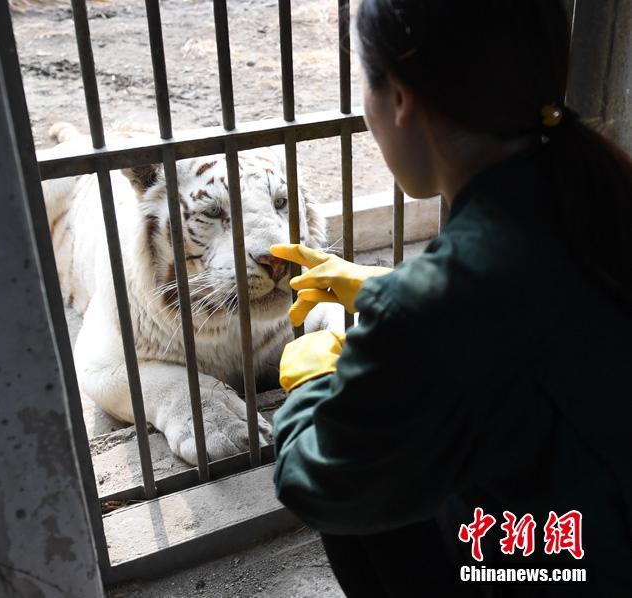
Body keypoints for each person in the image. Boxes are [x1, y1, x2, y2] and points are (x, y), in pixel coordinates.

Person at [269, 0, 632, 596]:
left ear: (401, 98)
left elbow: (316, 482)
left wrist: (313, 383)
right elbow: (529, 306)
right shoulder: (593, 191)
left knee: (367, 475)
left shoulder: (436, 305)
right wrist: (385, 287)